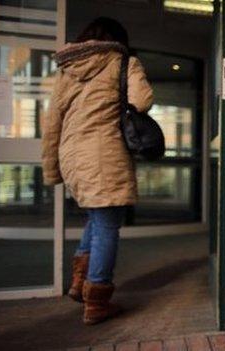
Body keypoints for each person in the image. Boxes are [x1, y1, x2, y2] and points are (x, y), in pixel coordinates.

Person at [41, 17, 153, 325]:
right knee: (107, 225)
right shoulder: (122, 61)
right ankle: (97, 302)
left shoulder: (67, 70)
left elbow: (52, 123)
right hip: (103, 153)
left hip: (72, 156)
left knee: (98, 216)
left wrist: (52, 169)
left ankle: (80, 284)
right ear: (118, 39)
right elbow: (142, 101)